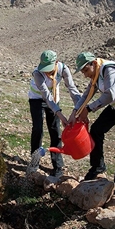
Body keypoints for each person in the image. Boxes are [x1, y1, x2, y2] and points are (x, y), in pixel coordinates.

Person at [67, 52, 115, 196]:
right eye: (83, 72)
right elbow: (86, 95)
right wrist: (75, 112)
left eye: (86, 70)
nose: (85, 75)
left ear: (93, 63)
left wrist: (89, 109)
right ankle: (97, 166)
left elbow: (110, 94)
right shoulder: (96, 75)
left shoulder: (109, 69)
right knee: (97, 130)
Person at [28, 50, 81, 178]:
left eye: (49, 69)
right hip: (37, 99)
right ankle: (34, 163)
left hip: (54, 99)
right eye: (45, 69)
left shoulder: (63, 69)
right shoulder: (37, 73)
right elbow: (46, 96)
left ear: (56, 62)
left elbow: (72, 89)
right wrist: (61, 115)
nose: (47, 72)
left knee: (55, 132)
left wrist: (79, 110)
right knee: (38, 129)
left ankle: (57, 166)